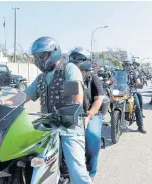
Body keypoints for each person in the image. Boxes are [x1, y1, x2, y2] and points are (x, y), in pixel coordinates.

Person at [24, 37, 92, 184]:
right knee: (26, 158)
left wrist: (70, 109)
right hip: (47, 126)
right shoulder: (41, 77)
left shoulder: (69, 69)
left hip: (69, 125)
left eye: (42, 55)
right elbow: (24, 96)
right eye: (36, 56)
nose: (38, 60)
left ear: (53, 53)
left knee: (77, 170)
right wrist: (3, 102)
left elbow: (76, 95)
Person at [68, 47, 104, 181]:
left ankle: (90, 173)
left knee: (92, 136)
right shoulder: (70, 77)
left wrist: (89, 116)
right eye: (73, 58)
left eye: (78, 59)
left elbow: (98, 99)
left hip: (91, 114)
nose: (75, 61)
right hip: (72, 115)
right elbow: (68, 98)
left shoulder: (92, 78)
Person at [123, 60, 146, 133]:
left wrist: (138, 83)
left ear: (130, 65)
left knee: (137, 107)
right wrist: (107, 82)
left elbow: (138, 80)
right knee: (112, 102)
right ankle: (115, 118)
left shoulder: (134, 73)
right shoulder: (119, 72)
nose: (126, 66)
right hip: (121, 92)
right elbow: (113, 79)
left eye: (128, 65)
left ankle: (140, 126)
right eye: (125, 65)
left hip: (131, 92)